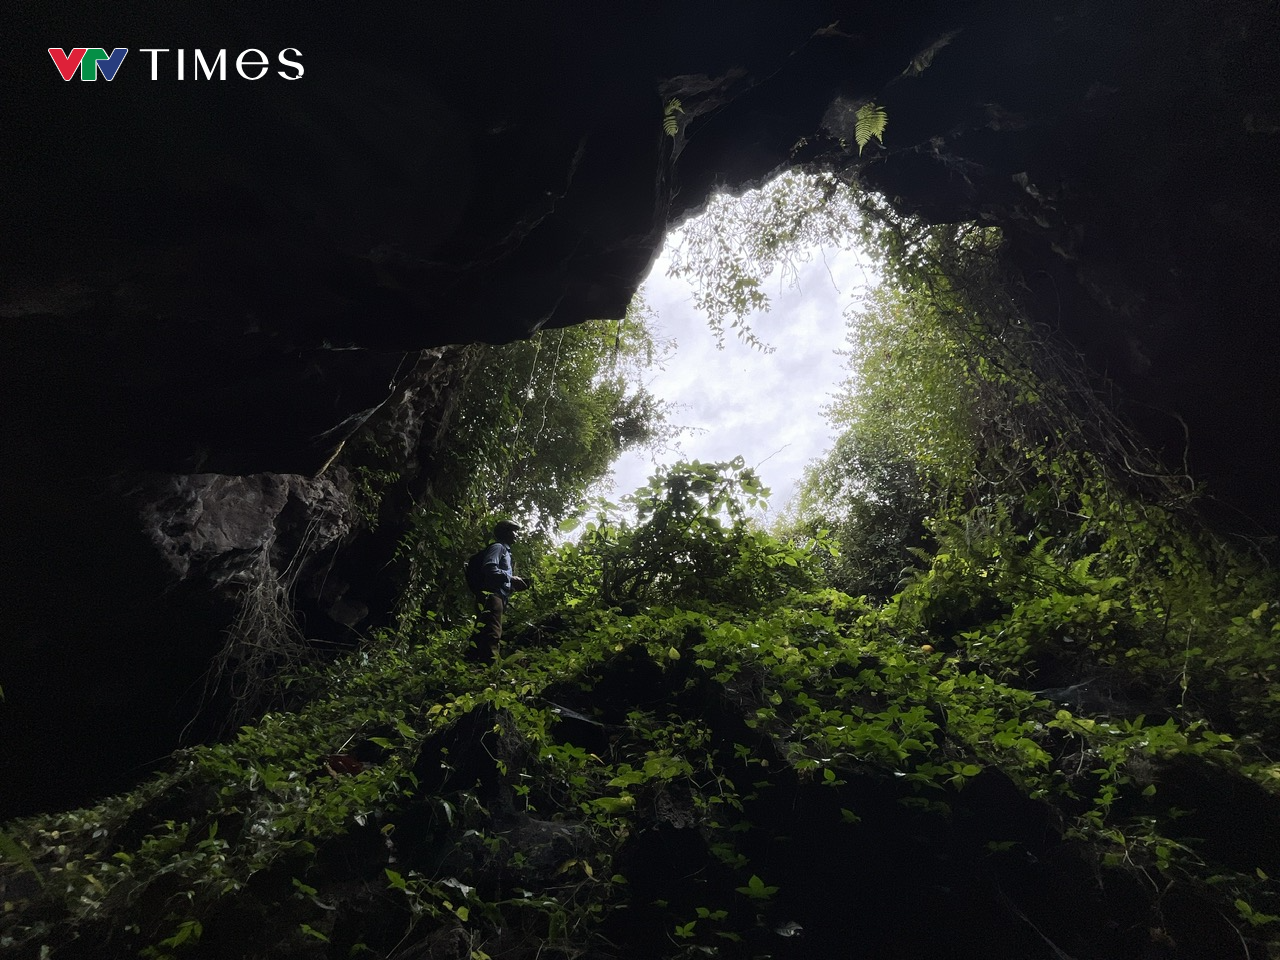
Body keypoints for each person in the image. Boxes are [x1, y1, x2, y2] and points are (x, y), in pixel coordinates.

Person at [470, 519, 530, 661]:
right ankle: (491, 668)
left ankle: (471, 664)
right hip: (492, 596)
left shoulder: (505, 552)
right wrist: (510, 578)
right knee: (493, 632)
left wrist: (512, 584)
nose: (517, 534)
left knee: (481, 633)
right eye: (514, 531)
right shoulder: (498, 548)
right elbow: (489, 567)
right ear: (505, 532)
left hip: (495, 596)